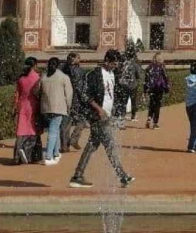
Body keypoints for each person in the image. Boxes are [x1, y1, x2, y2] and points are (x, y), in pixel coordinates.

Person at [69, 50, 134, 189]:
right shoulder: (94, 75)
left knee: (92, 145)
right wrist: (98, 109)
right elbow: (85, 94)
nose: (116, 66)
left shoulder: (112, 74)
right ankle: (122, 176)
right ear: (106, 61)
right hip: (97, 116)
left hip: (106, 115)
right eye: (114, 63)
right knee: (110, 146)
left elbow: (112, 95)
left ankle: (77, 175)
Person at [39, 56, 73, 165]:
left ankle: (56, 152)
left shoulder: (44, 77)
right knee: (53, 132)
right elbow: (69, 94)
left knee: (54, 129)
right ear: (58, 65)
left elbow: (37, 91)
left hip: (45, 108)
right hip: (58, 108)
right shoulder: (63, 77)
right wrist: (69, 106)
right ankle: (49, 156)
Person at [12, 57, 42, 164]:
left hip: (22, 106)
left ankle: (18, 155)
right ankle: (32, 155)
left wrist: (14, 107)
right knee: (33, 130)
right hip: (34, 105)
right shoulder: (37, 77)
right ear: (35, 65)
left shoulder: (21, 78)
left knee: (21, 130)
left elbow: (16, 94)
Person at [63, 53, 88, 152]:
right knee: (82, 120)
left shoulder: (63, 69)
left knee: (66, 122)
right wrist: (84, 98)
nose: (80, 59)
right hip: (76, 100)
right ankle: (74, 139)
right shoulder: (78, 71)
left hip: (65, 99)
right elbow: (79, 87)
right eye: (78, 58)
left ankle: (64, 145)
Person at [144, 54, 169, 128]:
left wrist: (145, 90)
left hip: (151, 88)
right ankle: (155, 123)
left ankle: (149, 118)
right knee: (157, 105)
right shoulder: (161, 66)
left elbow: (146, 80)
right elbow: (165, 77)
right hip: (159, 88)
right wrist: (167, 88)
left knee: (151, 104)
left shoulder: (149, 67)